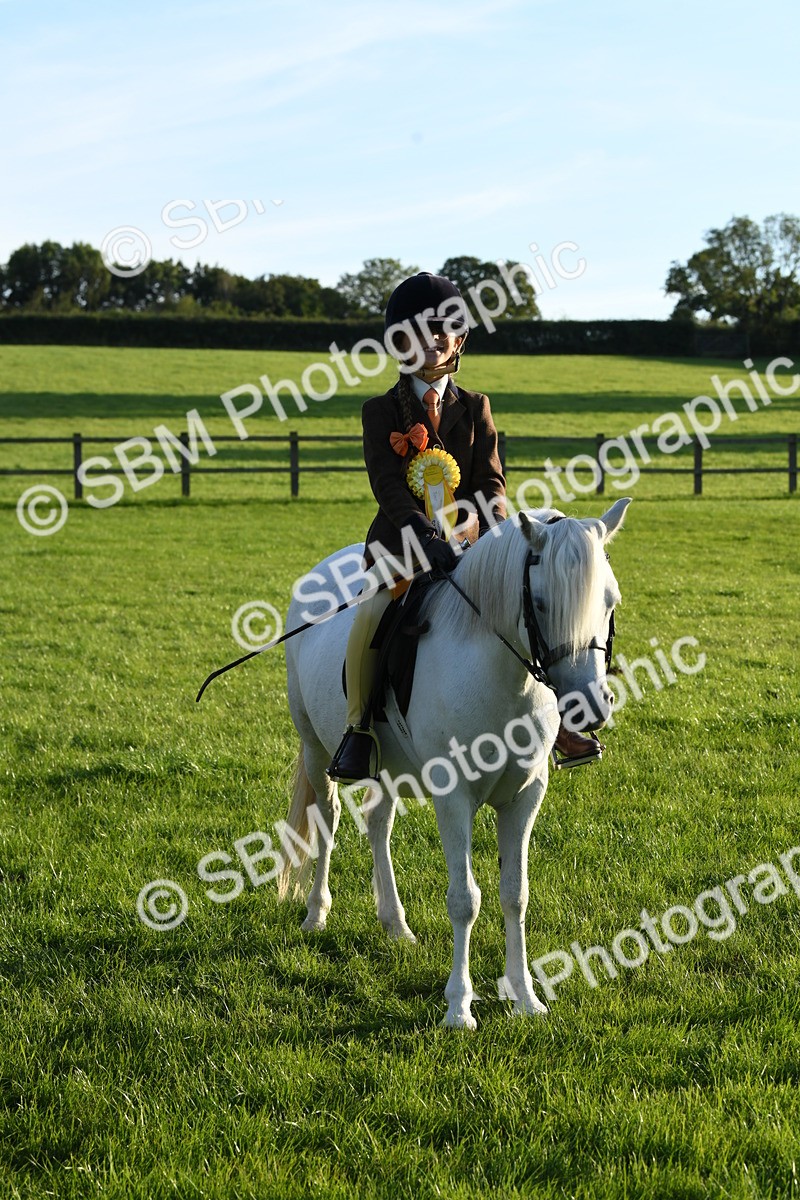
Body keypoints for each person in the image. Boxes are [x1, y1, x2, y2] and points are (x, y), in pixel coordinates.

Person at [327, 271, 601, 782]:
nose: (430, 341)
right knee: (373, 616)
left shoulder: (475, 407)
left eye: (441, 330)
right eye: (415, 332)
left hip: (473, 546)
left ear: (459, 340)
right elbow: (387, 489)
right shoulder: (380, 411)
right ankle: (358, 729)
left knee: (531, 612)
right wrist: (425, 536)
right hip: (402, 548)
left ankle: (556, 721)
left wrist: (493, 526)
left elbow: (492, 482)